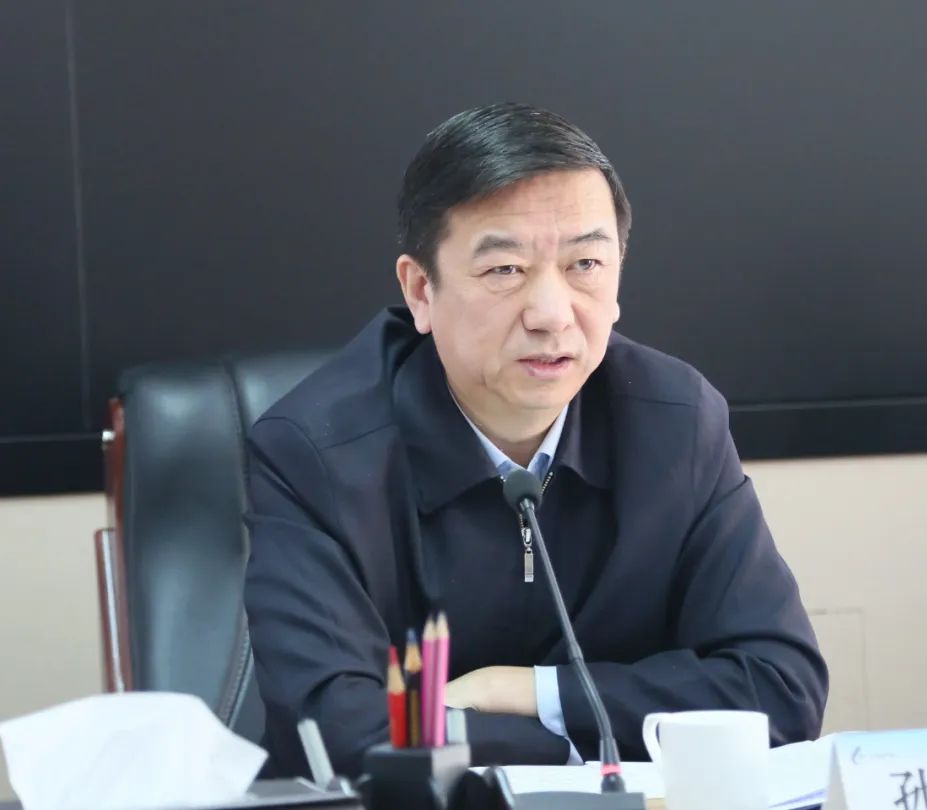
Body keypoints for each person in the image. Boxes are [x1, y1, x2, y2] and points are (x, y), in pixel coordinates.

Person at [244, 102, 828, 776]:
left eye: (585, 263)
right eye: (505, 270)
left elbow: (779, 691)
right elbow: (335, 733)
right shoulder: (316, 452)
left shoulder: (674, 420)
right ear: (421, 291)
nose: (552, 314)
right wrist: (573, 750)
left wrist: (524, 694)